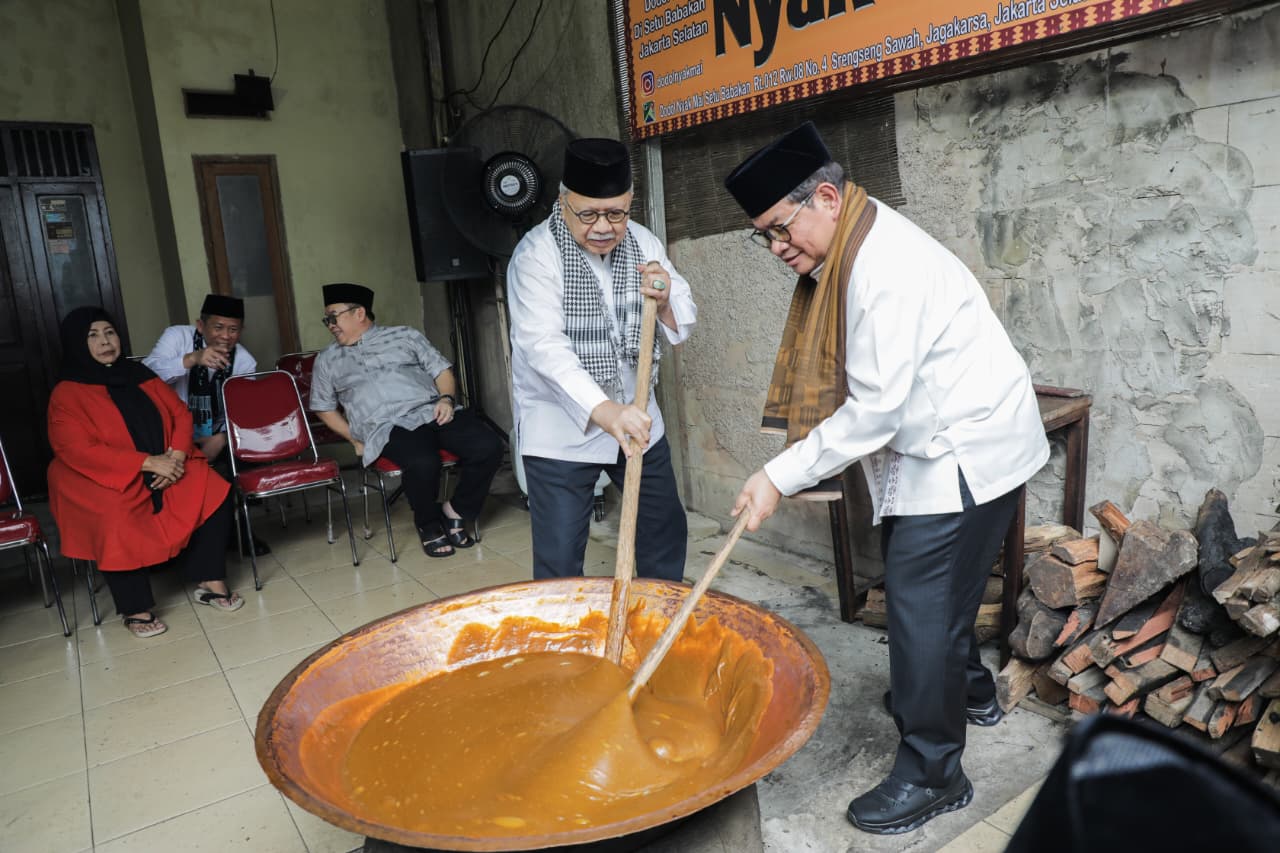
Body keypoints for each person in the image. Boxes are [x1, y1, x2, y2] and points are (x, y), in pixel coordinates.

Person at [724, 122, 1050, 835]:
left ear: (829, 198)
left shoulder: (882, 267)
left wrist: (778, 474)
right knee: (941, 592)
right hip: (941, 440)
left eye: (782, 230)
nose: (780, 250)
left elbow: (875, 410)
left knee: (919, 603)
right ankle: (967, 690)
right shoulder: (850, 245)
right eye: (765, 238)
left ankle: (935, 771)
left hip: (964, 448)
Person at [507, 138, 698, 581]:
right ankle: (567, 646)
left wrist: (666, 296)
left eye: (616, 213)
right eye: (588, 213)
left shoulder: (643, 242)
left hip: (638, 419)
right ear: (563, 201)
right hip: (560, 429)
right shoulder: (537, 256)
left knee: (663, 531)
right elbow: (543, 348)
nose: (603, 227)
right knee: (559, 560)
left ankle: (655, 627)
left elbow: (682, 307)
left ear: (630, 203)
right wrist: (605, 410)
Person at [47, 307, 244, 639]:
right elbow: (76, 449)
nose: (105, 341)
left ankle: (210, 580)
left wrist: (177, 457)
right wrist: (149, 463)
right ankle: (134, 606)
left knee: (212, 487)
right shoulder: (67, 392)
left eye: (109, 332)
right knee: (114, 514)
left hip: (169, 461)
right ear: (77, 344)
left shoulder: (139, 374)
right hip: (105, 475)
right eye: (92, 336)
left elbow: (180, 414)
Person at [310, 282, 503, 558]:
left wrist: (446, 398)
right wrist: (353, 438)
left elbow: (442, 372)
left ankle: (456, 510)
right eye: (327, 318)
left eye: (333, 316)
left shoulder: (405, 336)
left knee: (488, 445)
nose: (330, 324)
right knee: (423, 461)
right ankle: (427, 523)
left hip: (430, 410)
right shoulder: (327, 360)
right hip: (385, 425)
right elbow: (323, 407)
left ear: (359, 313)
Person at [142, 292, 269, 556]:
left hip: (214, 434)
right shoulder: (177, 337)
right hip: (168, 434)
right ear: (201, 325)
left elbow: (242, 413)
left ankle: (236, 530)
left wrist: (221, 438)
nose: (225, 336)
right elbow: (145, 375)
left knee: (239, 459)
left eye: (233, 329)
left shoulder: (244, 362)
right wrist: (191, 359)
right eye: (218, 327)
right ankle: (169, 543)